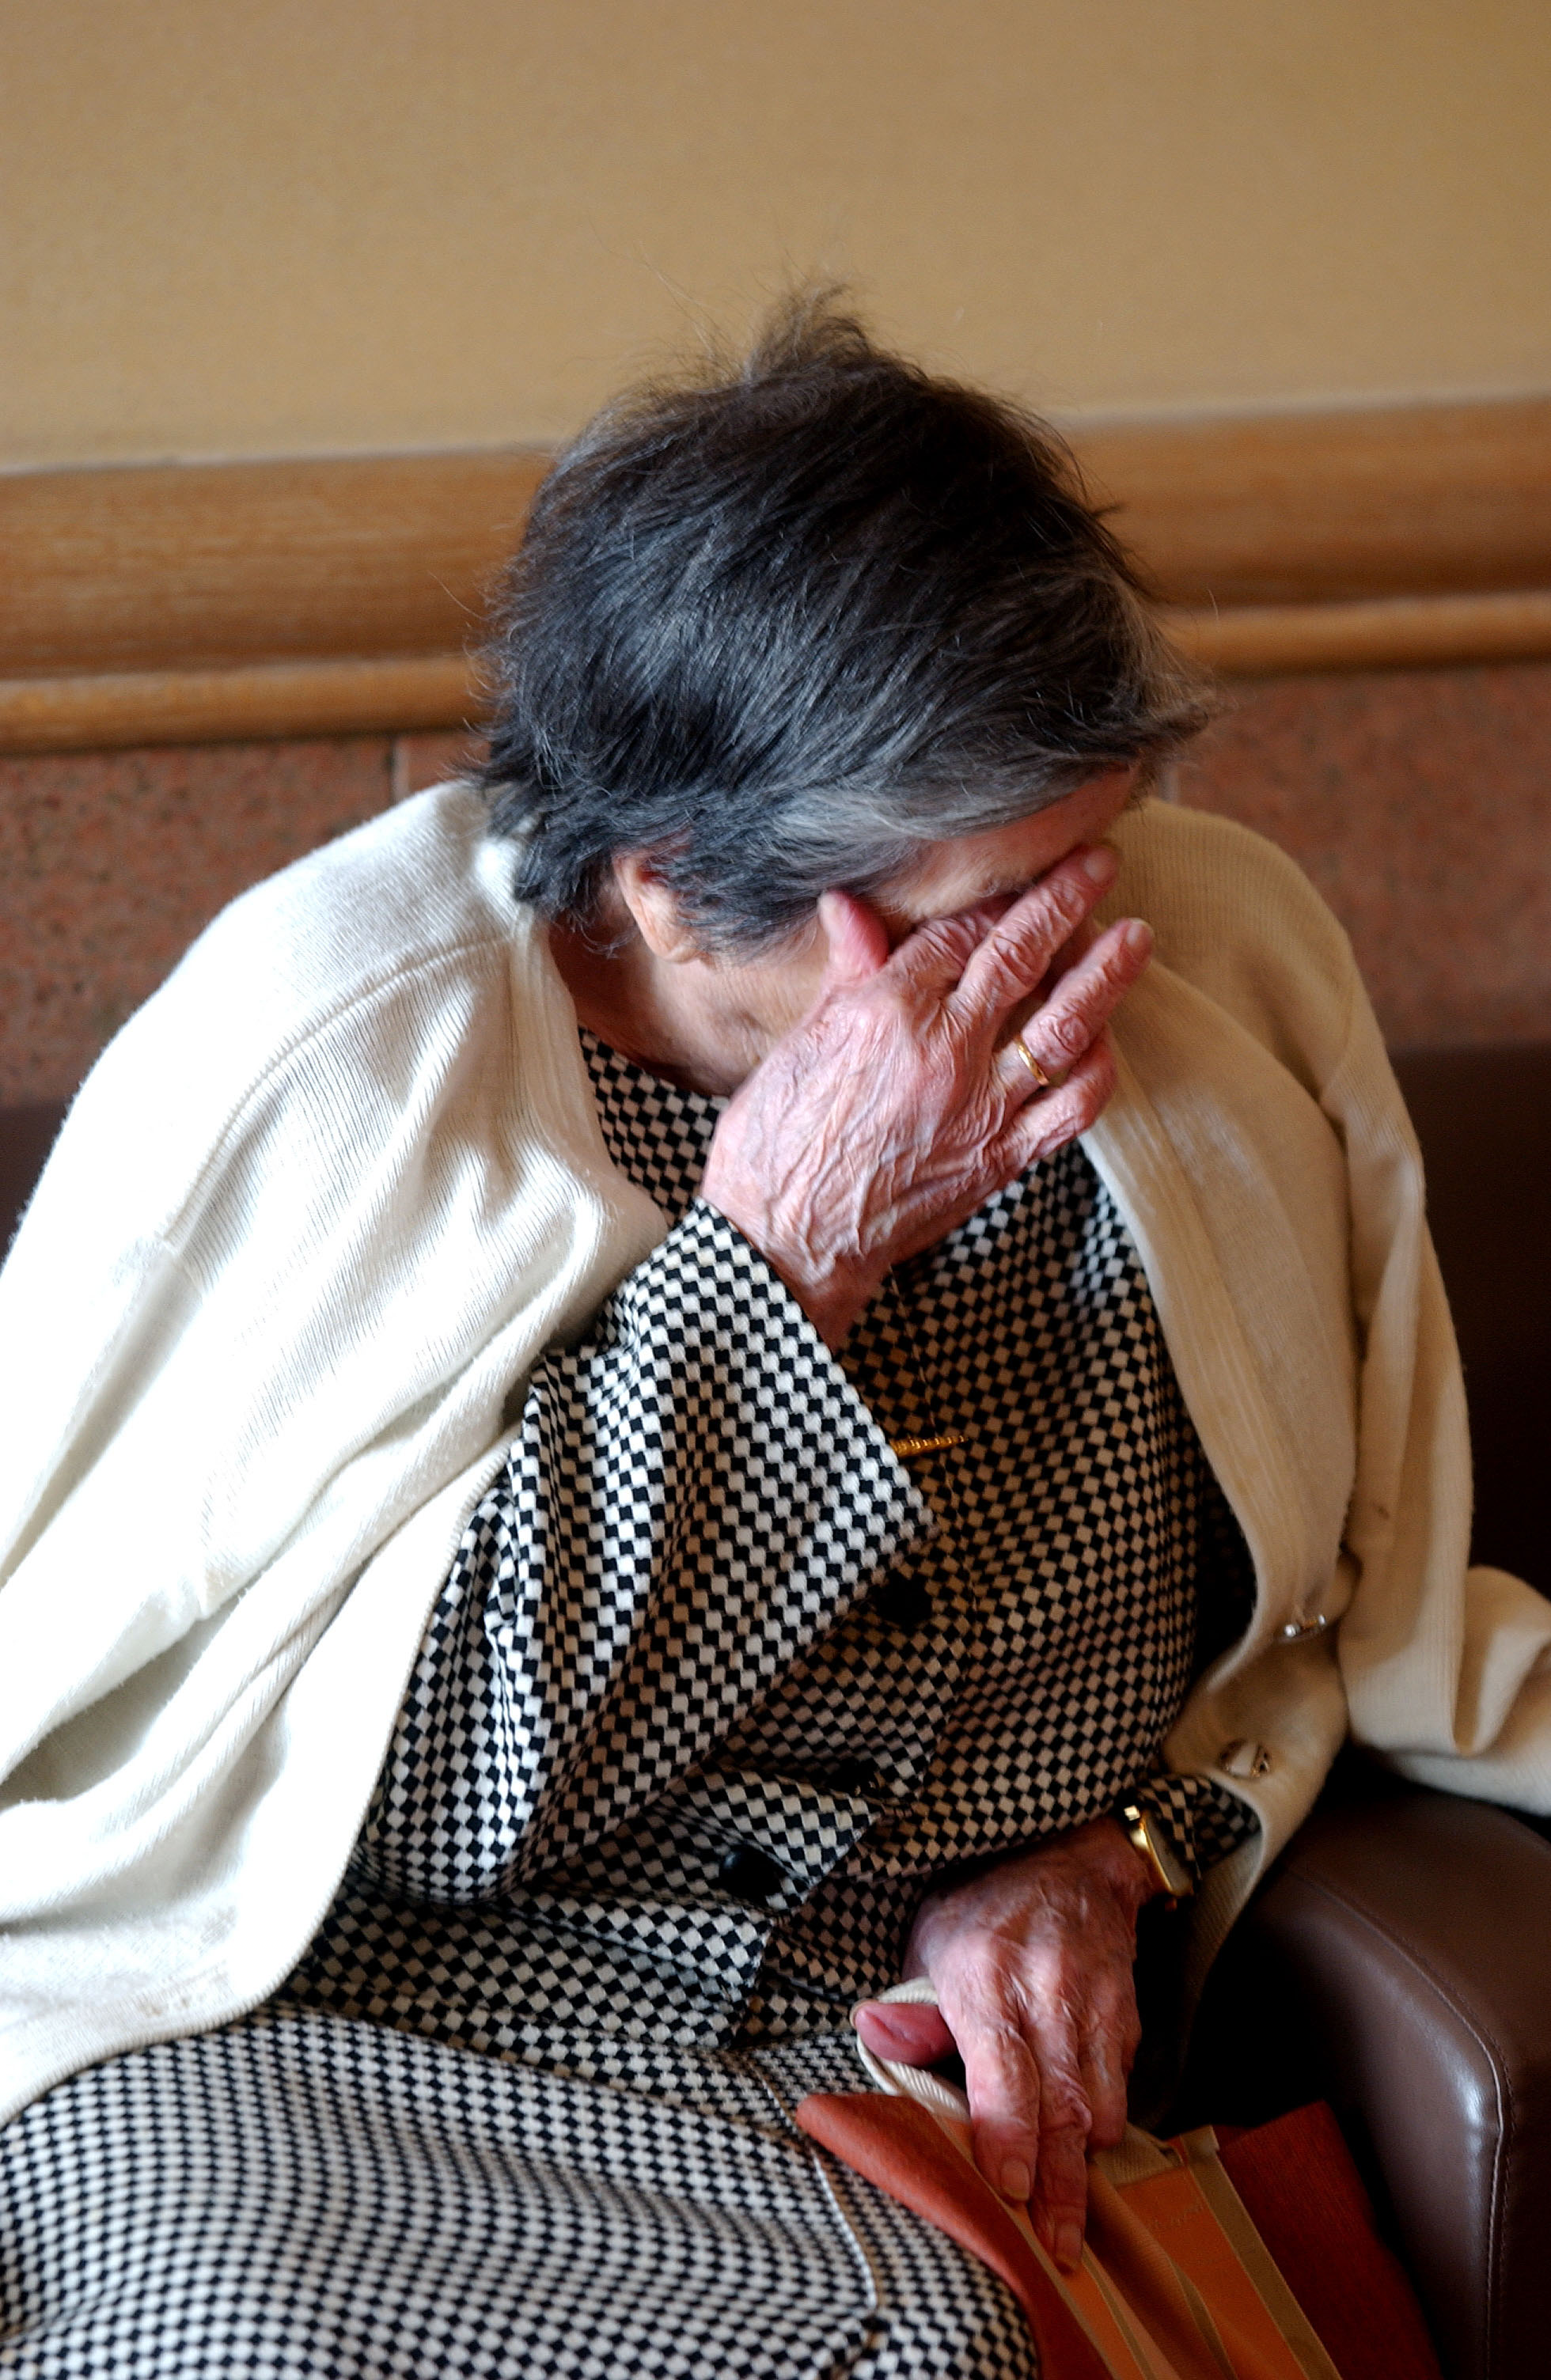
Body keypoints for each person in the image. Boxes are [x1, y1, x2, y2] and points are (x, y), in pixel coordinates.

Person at [2, 300, 1549, 2380]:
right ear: (665, 889)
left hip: (856, 2066)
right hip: (311, 2038)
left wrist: (1111, 1860)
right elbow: (423, 1800)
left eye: (1087, 863)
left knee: (940, 2354)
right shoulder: (344, 1056)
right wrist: (782, 1259)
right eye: (963, 921)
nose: (1060, 965)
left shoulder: (1221, 973)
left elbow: (1323, 1621)